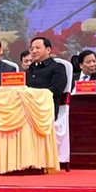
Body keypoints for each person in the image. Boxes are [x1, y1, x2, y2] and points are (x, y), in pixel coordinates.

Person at [25, 35, 73, 164]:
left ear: (48, 49)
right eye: (31, 49)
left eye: (37, 48)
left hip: (46, 109)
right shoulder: (28, 70)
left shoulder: (58, 68)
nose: (34, 51)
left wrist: (34, 96)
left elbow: (56, 91)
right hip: (27, 108)